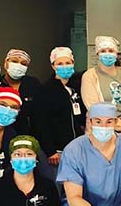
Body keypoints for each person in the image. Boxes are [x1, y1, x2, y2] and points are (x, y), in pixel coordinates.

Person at [32, 47, 85, 182]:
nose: (64, 66)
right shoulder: (44, 90)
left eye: (68, 63)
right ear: (53, 66)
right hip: (57, 150)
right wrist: (50, 151)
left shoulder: (77, 87)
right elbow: (40, 122)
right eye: (60, 64)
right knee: (58, 183)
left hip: (77, 148)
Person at [81, 36, 121, 135]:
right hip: (101, 130)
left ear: (116, 54)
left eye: (111, 51)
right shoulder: (89, 76)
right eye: (103, 51)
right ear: (97, 54)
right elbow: (94, 108)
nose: (107, 54)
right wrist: (120, 125)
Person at [0, 49, 41, 135]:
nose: (18, 65)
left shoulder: (33, 84)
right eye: (14, 61)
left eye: (23, 64)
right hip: (4, 134)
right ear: (6, 63)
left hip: (31, 135)